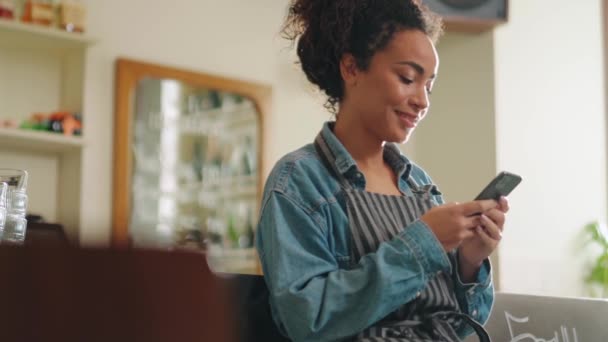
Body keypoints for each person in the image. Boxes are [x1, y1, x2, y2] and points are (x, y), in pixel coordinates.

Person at [255, 0, 509, 341]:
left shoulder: (420, 185)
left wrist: (469, 264)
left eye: (429, 86)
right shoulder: (298, 182)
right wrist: (423, 244)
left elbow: (459, 325)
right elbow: (308, 319)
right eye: (408, 78)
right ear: (351, 68)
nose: (423, 101)